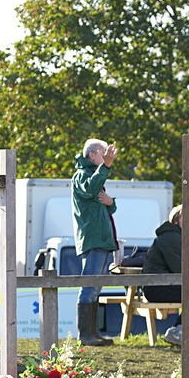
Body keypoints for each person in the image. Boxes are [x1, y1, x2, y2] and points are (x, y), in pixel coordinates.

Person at [143, 204, 189, 346]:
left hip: (166, 284)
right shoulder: (171, 237)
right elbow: (182, 269)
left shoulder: (180, 237)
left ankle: (177, 331)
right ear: (177, 219)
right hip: (158, 288)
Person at [72, 138, 119, 346]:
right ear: (92, 155)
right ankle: (85, 335)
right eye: (102, 153)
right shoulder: (82, 175)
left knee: (96, 287)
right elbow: (91, 190)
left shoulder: (93, 175)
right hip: (93, 239)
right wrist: (106, 166)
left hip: (101, 240)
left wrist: (111, 203)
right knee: (89, 286)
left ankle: (93, 333)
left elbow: (107, 206)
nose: (106, 156)